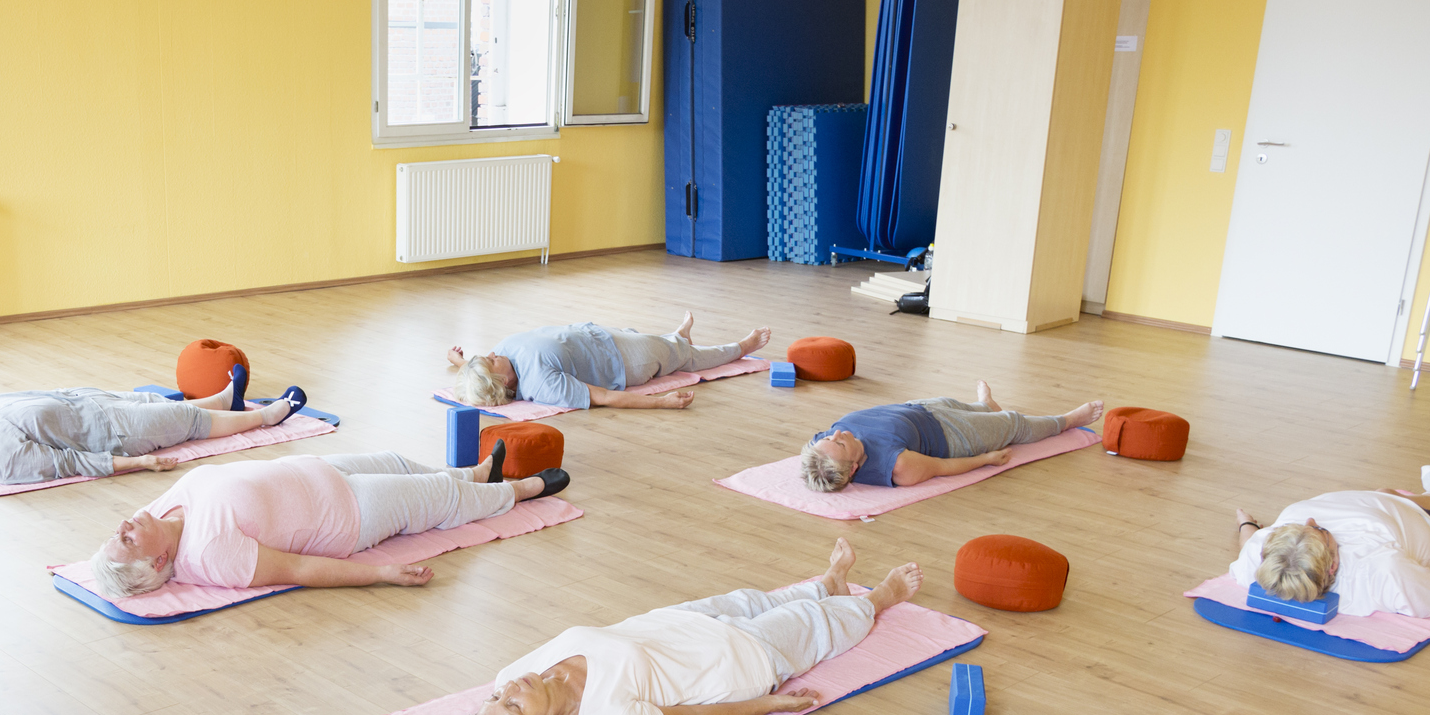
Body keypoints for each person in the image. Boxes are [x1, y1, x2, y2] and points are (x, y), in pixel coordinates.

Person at [437, 539, 923, 715]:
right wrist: (767, 704)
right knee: (809, 624)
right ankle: (880, 599)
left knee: (755, 599)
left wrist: (503, 700)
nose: (508, 691)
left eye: (496, 699)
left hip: (677, 622)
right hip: (736, 661)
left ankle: (829, 581)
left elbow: (506, 693)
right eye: (514, 707)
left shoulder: (511, 678)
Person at [87, 444, 571, 598]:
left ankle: (477, 472)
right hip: (347, 513)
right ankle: (523, 489)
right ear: (159, 560)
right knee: (441, 500)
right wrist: (380, 574)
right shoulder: (210, 555)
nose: (122, 526)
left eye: (118, 533)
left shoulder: (163, 512)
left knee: (400, 462)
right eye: (125, 540)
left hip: (317, 468)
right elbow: (297, 570)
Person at [0, 375, 305, 485]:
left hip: (89, 402)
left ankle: (224, 400)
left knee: (157, 403)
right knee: (186, 423)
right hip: (112, 433)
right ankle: (265, 417)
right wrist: (137, 463)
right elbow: (69, 462)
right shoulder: (1, 460)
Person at [1231, 465, 1430, 616]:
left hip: (1376, 504)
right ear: (1333, 565)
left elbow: (1249, 544)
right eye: (1320, 530)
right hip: (1428, 530)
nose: (1310, 520)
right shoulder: (1384, 569)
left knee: (1386, 493)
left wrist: (1246, 523)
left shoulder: (1263, 552)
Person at [799, 381, 1102, 492]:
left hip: (919, 409)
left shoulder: (822, 446)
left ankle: (985, 406)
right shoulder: (897, 467)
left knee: (964, 404)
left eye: (832, 436)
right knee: (1012, 423)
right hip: (952, 435)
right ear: (853, 469)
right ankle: (1068, 420)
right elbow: (942, 468)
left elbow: (817, 461)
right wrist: (986, 459)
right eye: (839, 442)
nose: (838, 432)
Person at [447, 311, 770, 410]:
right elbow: (601, 396)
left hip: (599, 337)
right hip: (624, 362)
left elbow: (480, 377)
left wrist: (460, 362)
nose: (491, 354)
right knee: (688, 359)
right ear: (502, 382)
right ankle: (740, 347)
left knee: (663, 344)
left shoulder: (502, 358)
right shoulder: (542, 384)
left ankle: (677, 339)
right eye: (490, 361)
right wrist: (662, 403)